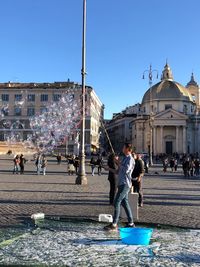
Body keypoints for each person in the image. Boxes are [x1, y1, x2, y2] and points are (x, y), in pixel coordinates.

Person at [104, 143, 135, 231]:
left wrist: (118, 162)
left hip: (125, 184)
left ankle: (114, 224)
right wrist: (109, 169)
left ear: (128, 149)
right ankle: (131, 223)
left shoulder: (130, 159)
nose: (122, 148)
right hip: (121, 183)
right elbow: (118, 172)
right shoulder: (125, 158)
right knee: (125, 203)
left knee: (116, 202)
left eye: (123, 147)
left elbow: (126, 170)